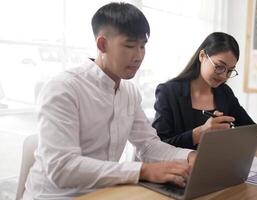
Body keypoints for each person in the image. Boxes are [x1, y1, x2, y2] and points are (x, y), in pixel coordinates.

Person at [23, 3, 195, 199]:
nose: (139, 56)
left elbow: (147, 145)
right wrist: (142, 171)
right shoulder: (64, 88)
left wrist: (189, 156)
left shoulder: (129, 92)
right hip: (56, 196)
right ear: (102, 44)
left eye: (142, 46)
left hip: (106, 193)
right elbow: (62, 168)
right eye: (130, 46)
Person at [152, 32, 257, 157]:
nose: (224, 75)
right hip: (178, 173)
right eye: (219, 66)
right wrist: (200, 133)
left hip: (216, 169)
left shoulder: (224, 93)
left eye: (230, 71)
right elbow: (158, 147)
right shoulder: (168, 92)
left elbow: (248, 126)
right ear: (202, 56)